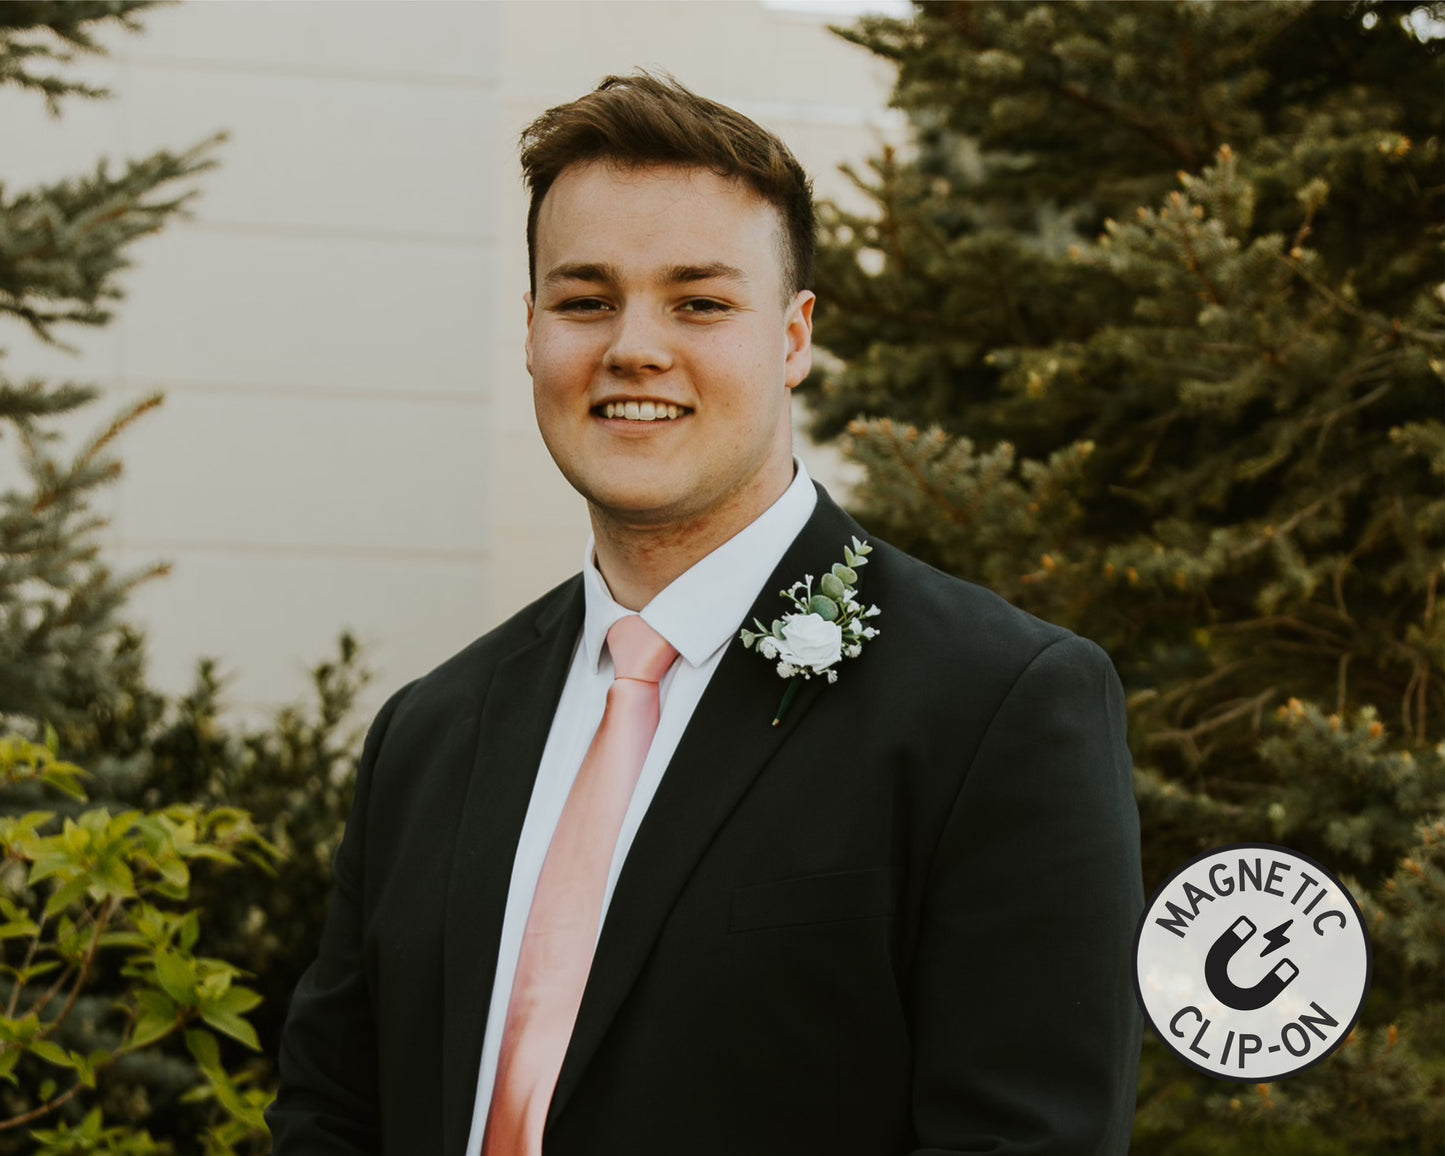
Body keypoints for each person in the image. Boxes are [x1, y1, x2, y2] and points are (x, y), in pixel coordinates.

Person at [267, 71, 1143, 1156]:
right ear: (532, 328)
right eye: (585, 299)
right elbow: (332, 1111)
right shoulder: (429, 729)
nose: (634, 346)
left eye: (699, 302)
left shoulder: (998, 708)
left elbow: (1024, 1140)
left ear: (791, 337)